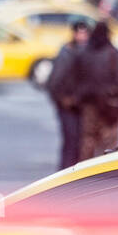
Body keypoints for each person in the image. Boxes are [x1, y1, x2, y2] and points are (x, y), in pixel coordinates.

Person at [73, 22, 118, 161]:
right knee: (108, 144)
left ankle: (84, 174)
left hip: (88, 105)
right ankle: (106, 176)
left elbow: (76, 80)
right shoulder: (113, 54)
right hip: (108, 106)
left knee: (88, 140)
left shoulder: (84, 53)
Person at [45, 21, 91, 169]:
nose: (82, 36)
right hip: (67, 106)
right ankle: (65, 175)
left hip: (83, 104)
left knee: (81, 143)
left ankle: (74, 174)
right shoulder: (66, 54)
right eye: (79, 33)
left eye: (84, 33)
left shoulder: (88, 53)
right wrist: (63, 100)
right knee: (71, 141)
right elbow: (54, 82)